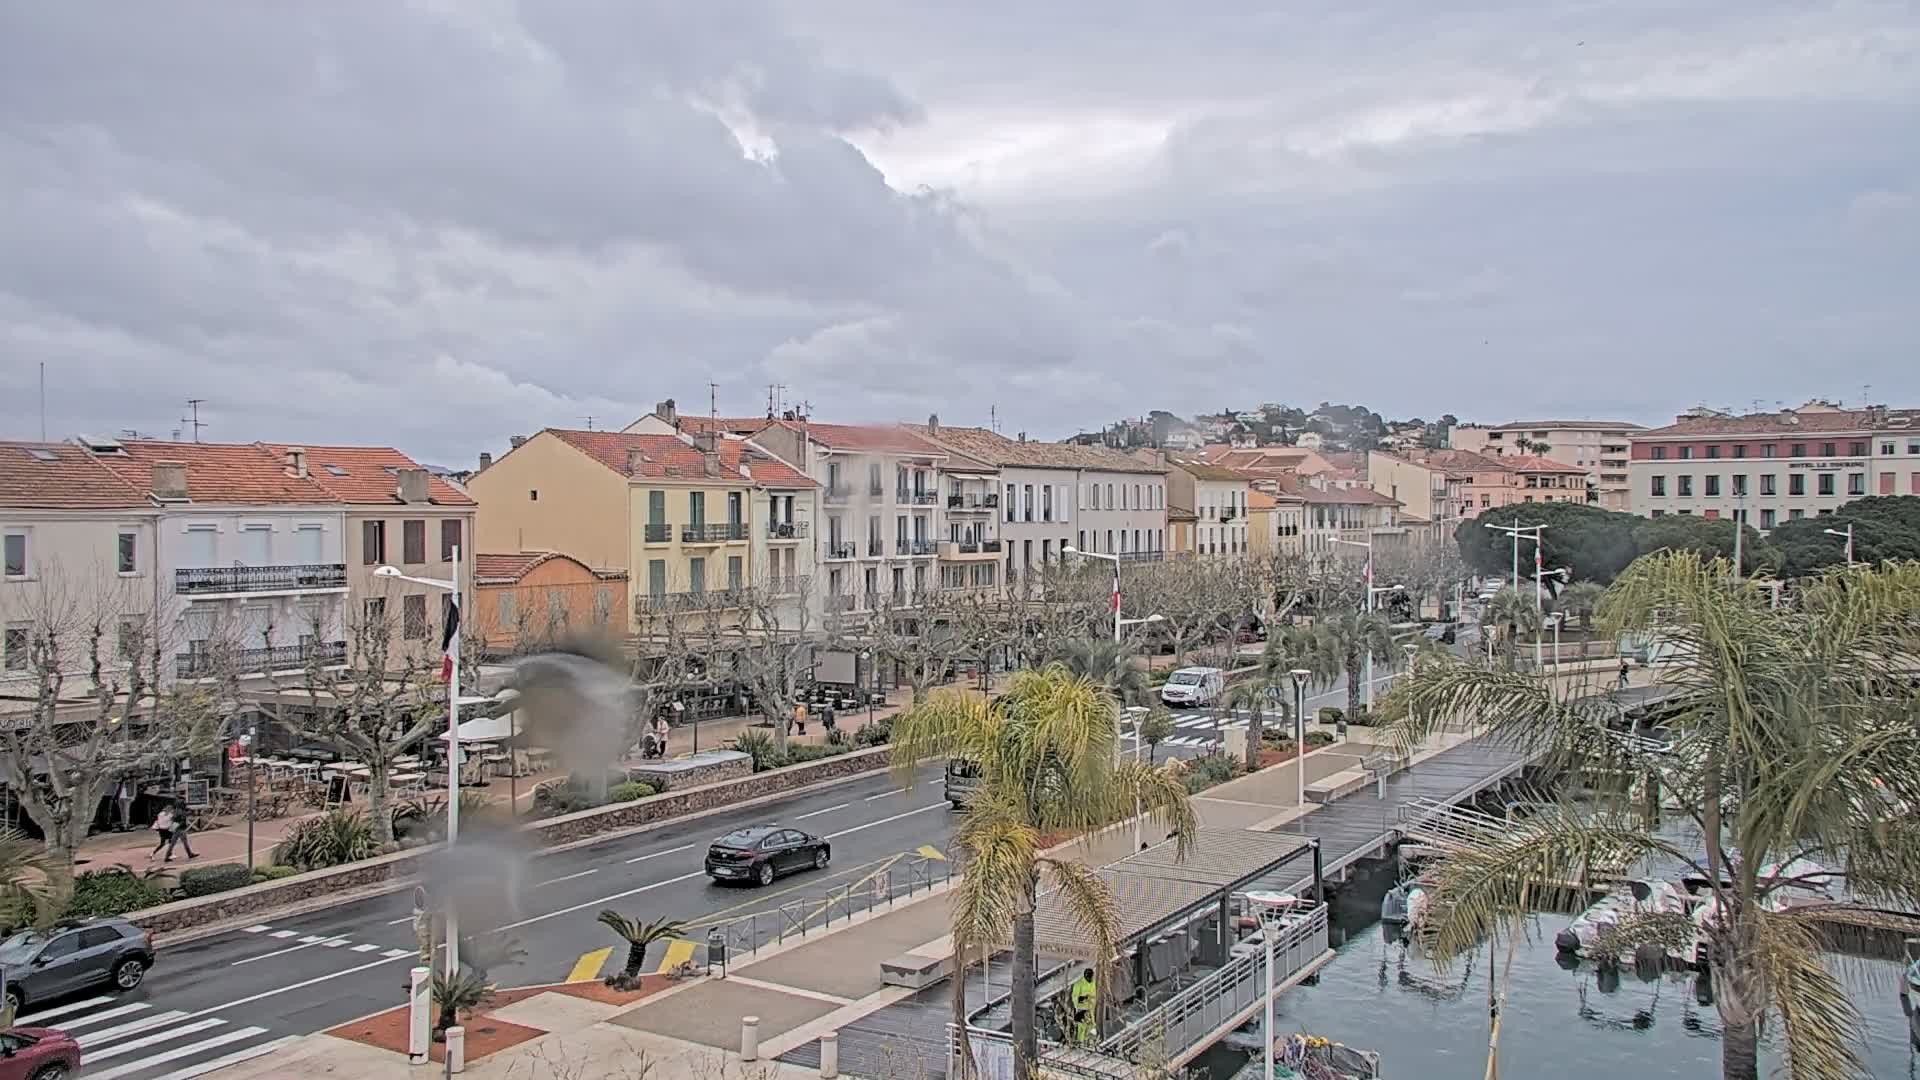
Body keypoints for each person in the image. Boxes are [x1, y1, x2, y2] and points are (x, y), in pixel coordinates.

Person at [1069, 966, 1097, 1046]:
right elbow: (1074, 997)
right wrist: (1082, 998)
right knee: (1081, 1026)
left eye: (1091, 977)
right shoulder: (1078, 984)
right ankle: (1080, 1042)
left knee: (1091, 1025)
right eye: (1089, 977)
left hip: (1090, 1008)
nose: (1090, 978)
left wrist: (1092, 1000)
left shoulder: (1093, 983)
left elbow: (1095, 994)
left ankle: (1088, 1042)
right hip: (1081, 1009)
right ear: (1085, 976)